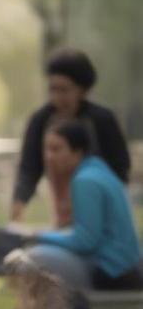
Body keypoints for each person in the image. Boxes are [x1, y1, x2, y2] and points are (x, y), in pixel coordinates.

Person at [11, 48, 130, 227]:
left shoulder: (101, 120)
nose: (58, 97)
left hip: (98, 204)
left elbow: (119, 167)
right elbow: (29, 166)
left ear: (82, 90)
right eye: (53, 89)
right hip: (61, 205)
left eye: (64, 90)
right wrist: (19, 202)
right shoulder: (41, 120)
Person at [23, 121, 142, 291]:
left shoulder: (85, 181)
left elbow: (85, 240)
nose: (48, 156)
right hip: (128, 269)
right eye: (47, 149)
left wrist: (39, 236)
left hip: (112, 274)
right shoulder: (99, 170)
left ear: (77, 151)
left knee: (35, 257)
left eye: (56, 149)